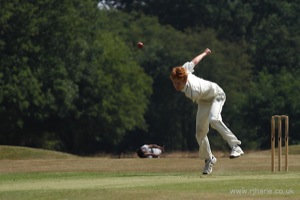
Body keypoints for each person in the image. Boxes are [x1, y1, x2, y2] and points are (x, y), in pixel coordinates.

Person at [169, 48, 244, 175]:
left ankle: (236, 146)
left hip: (217, 95)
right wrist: (204, 53)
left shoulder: (193, 89)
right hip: (204, 100)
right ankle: (209, 159)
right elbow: (194, 62)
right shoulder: (184, 70)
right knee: (200, 133)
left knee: (214, 120)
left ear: (185, 80)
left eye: (178, 83)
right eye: (174, 83)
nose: (175, 86)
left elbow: (197, 95)